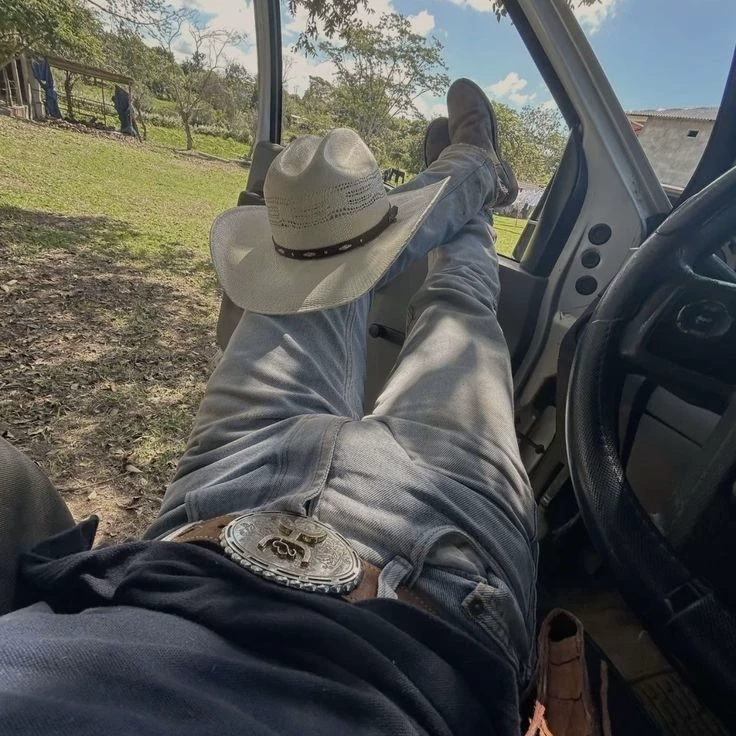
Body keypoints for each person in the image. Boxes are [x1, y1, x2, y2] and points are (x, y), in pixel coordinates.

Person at [0, 79, 537, 735]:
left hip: (217, 507)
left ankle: (466, 172)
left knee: (319, 269)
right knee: (461, 303)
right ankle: (475, 175)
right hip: (434, 585)